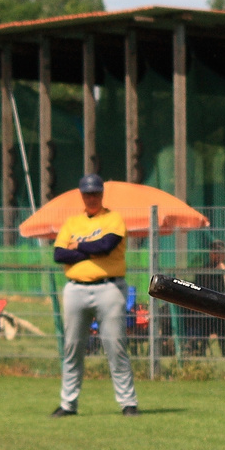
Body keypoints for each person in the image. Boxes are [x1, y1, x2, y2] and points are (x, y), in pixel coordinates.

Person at [51, 173, 139, 417]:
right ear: (82, 195)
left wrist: (77, 247)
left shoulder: (113, 218)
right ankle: (68, 404)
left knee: (115, 346)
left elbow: (106, 246)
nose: (91, 197)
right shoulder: (72, 223)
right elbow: (59, 255)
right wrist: (92, 251)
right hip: (75, 289)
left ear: (102, 194)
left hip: (109, 288)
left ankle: (128, 403)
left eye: (95, 193)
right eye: (87, 193)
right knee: (72, 347)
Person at [190, 240, 225, 356]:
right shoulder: (204, 270)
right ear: (210, 253)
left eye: (220, 252)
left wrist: (224, 272)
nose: (217, 255)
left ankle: (223, 352)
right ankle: (193, 346)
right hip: (205, 310)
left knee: (221, 318)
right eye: (215, 252)